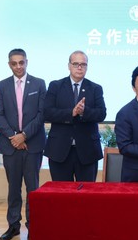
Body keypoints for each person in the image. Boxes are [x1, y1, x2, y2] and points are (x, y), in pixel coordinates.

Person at [0, 49, 46, 240]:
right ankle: (13, 226)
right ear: (9, 64)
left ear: (26, 62)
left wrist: (24, 136)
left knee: (32, 188)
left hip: (33, 145)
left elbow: (41, 114)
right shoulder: (2, 85)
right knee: (13, 188)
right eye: (14, 63)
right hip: (10, 146)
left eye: (21, 62)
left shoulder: (39, 84)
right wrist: (13, 137)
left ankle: (33, 226)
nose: (18, 66)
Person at [44, 50, 106, 182]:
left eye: (83, 64)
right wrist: (71, 113)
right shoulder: (55, 86)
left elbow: (101, 114)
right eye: (76, 64)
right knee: (61, 192)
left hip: (87, 151)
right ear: (69, 66)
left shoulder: (95, 88)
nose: (79, 67)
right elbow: (47, 112)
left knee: (86, 192)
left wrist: (84, 111)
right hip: (59, 150)